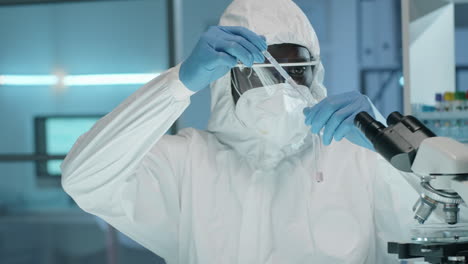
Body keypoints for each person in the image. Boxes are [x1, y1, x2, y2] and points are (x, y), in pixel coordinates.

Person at [61, 0, 423, 263]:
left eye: (294, 69)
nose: (279, 86)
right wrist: (178, 84)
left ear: (316, 73)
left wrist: (393, 151)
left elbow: (454, 225)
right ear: (225, 80)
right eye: (257, 70)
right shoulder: (187, 163)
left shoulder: (358, 157)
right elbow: (83, 177)